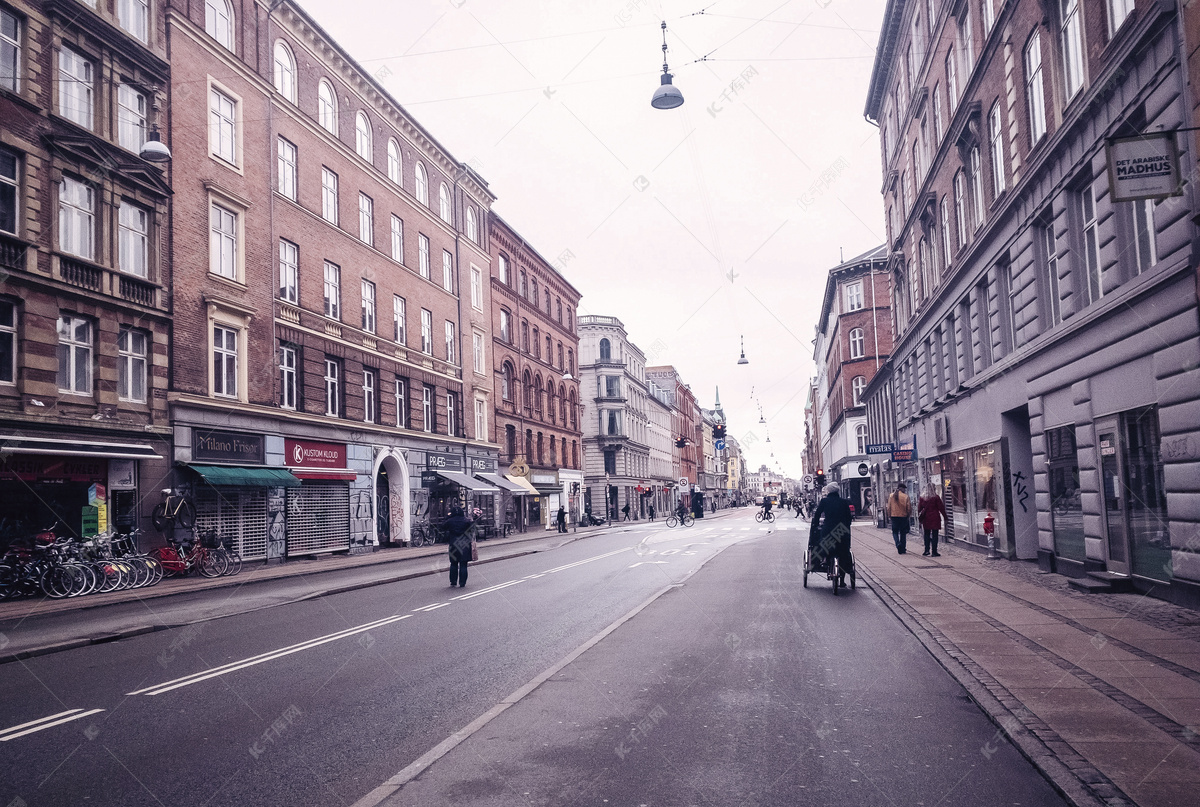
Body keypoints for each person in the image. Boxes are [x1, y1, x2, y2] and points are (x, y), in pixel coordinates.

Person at [809, 483, 854, 585]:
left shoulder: (824, 501)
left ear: (828, 491)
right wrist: (847, 526)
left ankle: (824, 559)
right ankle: (842, 580)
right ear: (838, 491)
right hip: (841, 530)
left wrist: (815, 524)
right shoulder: (844, 502)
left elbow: (817, 514)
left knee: (823, 543)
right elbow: (849, 516)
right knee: (843, 551)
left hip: (828, 528)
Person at [444, 506, 475, 588]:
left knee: (453, 564)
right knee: (463, 564)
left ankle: (453, 581)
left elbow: (442, 527)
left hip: (453, 545)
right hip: (464, 545)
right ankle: (462, 582)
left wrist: (448, 516)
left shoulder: (450, 521)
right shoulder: (467, 521)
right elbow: (472, 531)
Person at [918, 484, 946, 556]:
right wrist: (945, 517)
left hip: (926, 518)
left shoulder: (922, 498)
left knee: (926, 534)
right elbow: (941, 508)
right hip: (935, 517)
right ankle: (934, 551)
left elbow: (919, 509)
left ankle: (926, 550)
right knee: (935, 535)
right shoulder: (936, 497)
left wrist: (920, 517)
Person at [887, 482, 913, 554]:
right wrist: (909, 515)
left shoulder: (891, 496)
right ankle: (903, 548)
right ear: (902, 488)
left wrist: (889, 515)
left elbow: (888, 507)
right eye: (904, 488)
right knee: (903, 533)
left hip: (894, 516)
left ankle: (897, 543)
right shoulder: (905, 496)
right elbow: (909, 508)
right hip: (903, 516)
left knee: (895, 532)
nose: (905, 490)